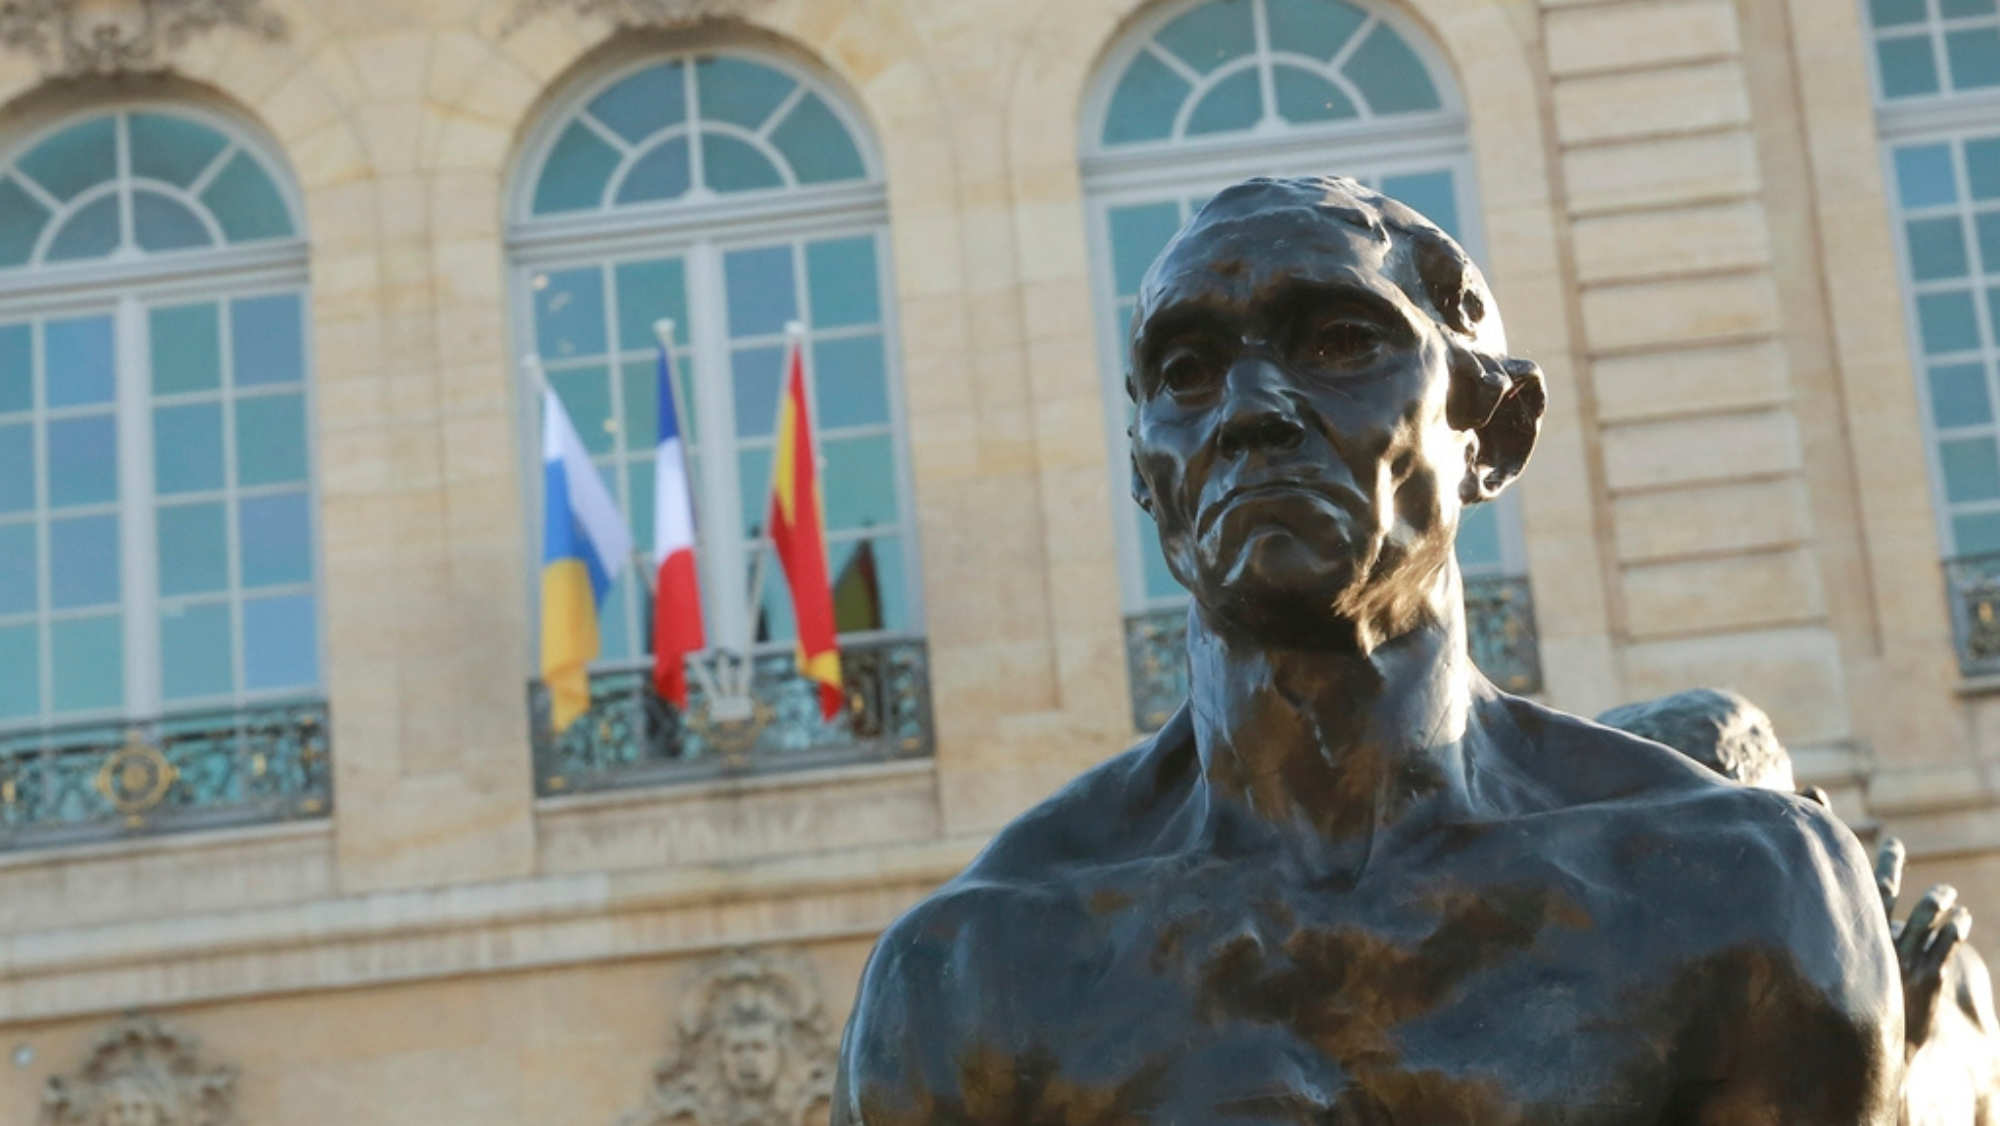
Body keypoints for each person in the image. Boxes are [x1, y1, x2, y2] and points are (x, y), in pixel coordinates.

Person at [833, 176, 1901, 1123]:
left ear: (1495, 433)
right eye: (1187, 371)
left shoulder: (1733, 892)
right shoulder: (975, 971)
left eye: (1341, 343)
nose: (1249, 411)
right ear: (1144, 476)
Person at [1600, 687, 1998, 1126]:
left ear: (1815, 820)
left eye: (1729, 853)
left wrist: (1889, 1043)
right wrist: (1879, 1064)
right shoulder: (1605, 1045)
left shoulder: (1945, 980)